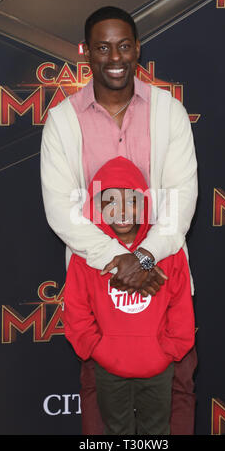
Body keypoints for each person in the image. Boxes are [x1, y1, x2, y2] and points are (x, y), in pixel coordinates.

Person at [40, 6, 198, 434]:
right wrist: (120, 260)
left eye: (124, 46)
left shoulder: (169, 112)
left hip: (164, 286)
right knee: (99, 404)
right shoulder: (62, 120)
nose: (115, 57)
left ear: (138, 50)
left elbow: (181, 201)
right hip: (97, 292)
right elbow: (61, 210)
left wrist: (144, 258)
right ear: (85, 53)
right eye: (103, 47)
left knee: (177, 395)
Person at [63, 156, 195, 435]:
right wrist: (98, 349)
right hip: (109, 368)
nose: (121, 211)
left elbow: (180, 305)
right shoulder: (86, 257)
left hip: (158, 367)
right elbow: (76, 309)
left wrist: (168, 350)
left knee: (158, 433)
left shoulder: (165, 251)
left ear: (145, 204)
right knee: (114, 432)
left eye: (131, 201)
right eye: (109, 201)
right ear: (96, 207)